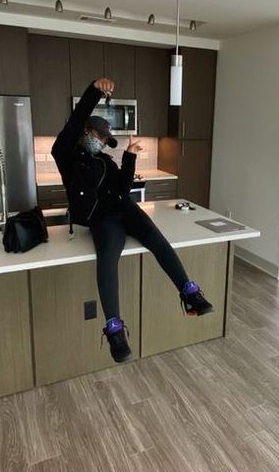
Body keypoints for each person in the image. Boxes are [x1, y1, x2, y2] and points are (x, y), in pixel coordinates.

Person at [52, 77, 213, 363]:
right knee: (108, 257)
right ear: (85, 132)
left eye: (104, 139)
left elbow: (124, 189)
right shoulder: (66, 154)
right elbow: (75, 121)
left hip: (125, 208)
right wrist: (93, 92)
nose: (100, 142)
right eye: (98, 136)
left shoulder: (106, 161)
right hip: (101, 218)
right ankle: (114, 328)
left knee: (157, 240)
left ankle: (189, 292)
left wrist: (128, 157)